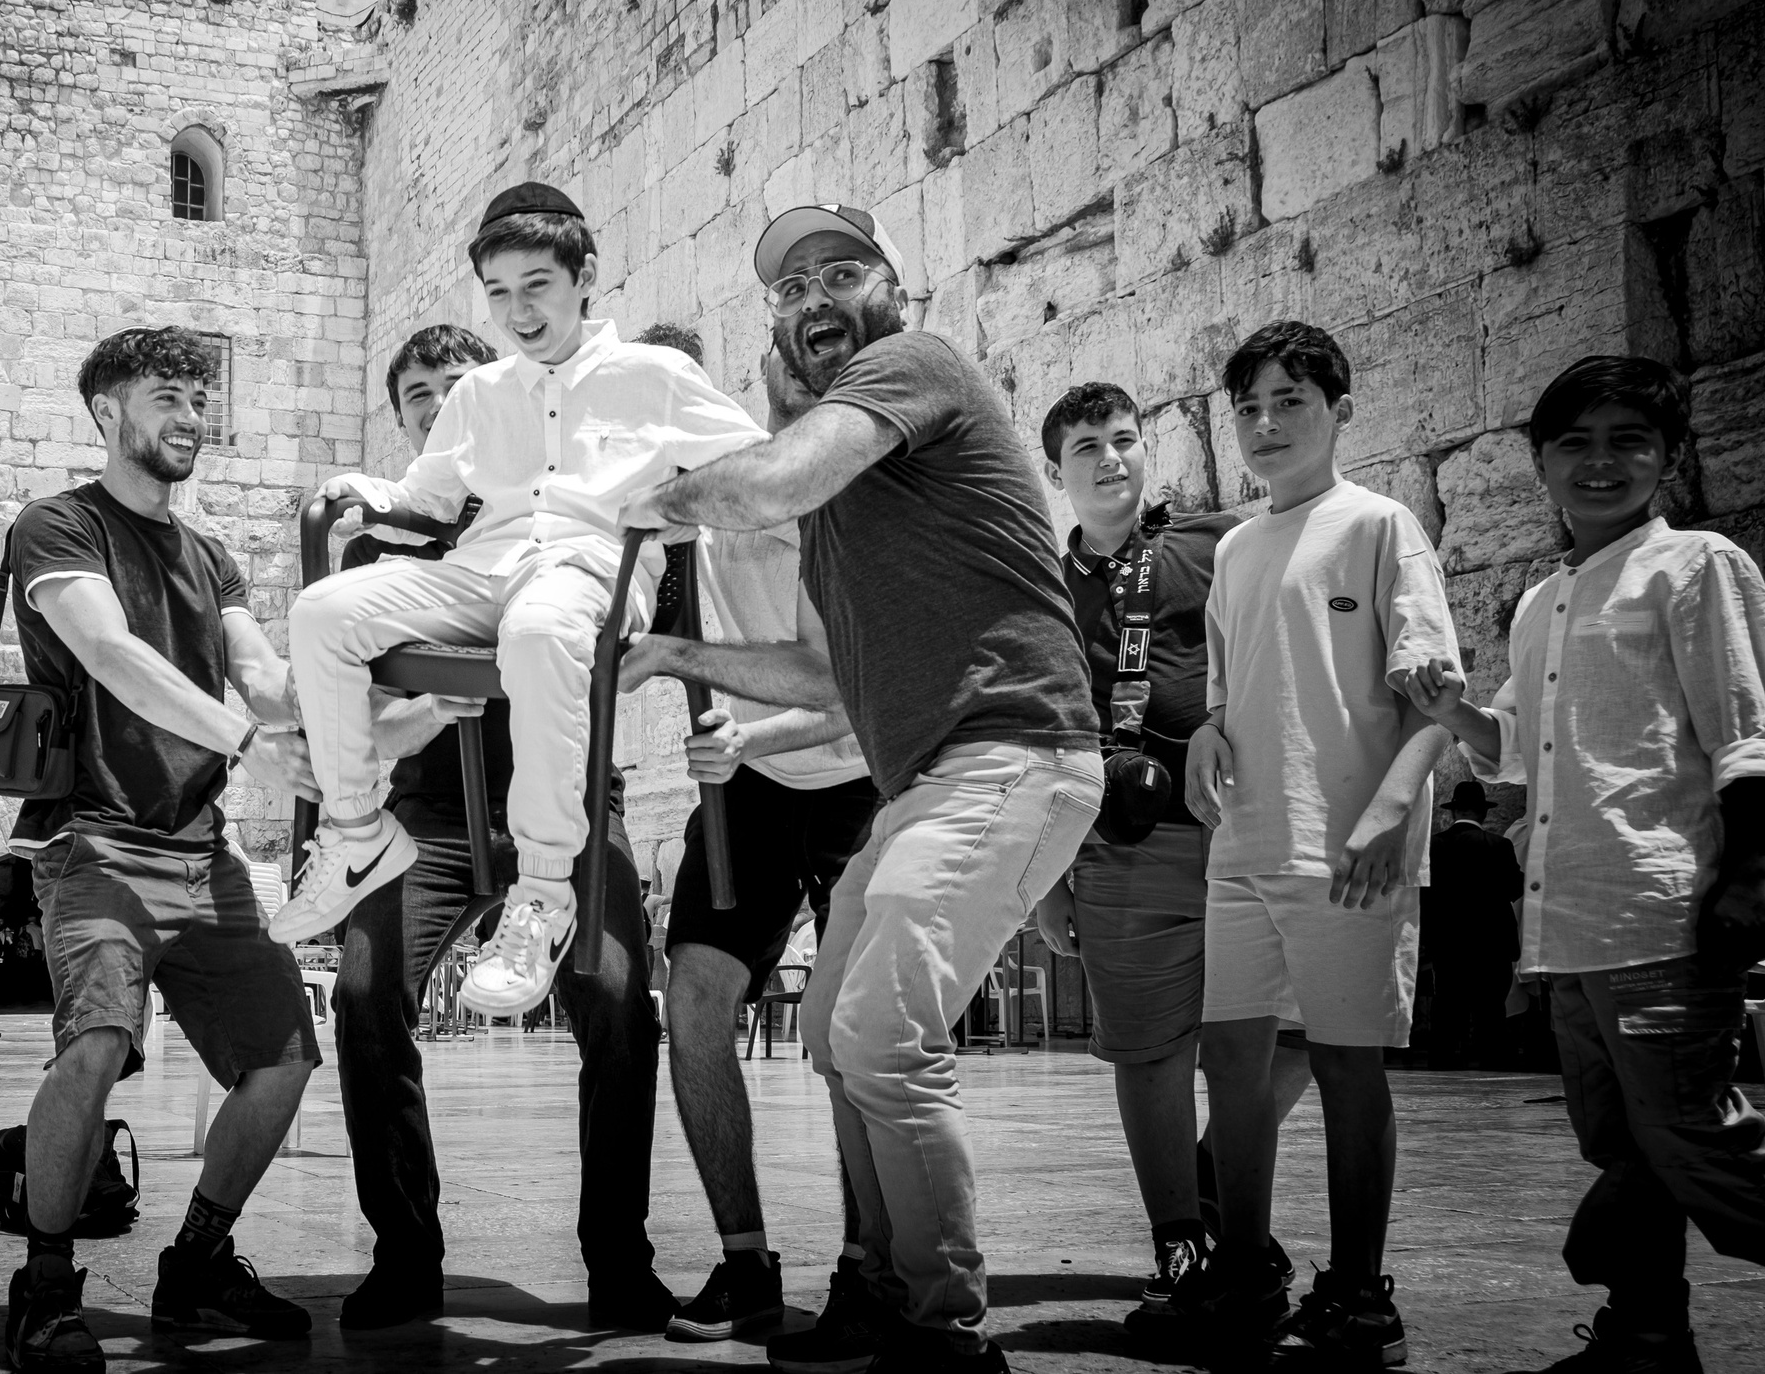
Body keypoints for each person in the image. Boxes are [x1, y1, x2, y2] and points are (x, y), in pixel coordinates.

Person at [620, 203, 1103, 1371]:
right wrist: (676, 657)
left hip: (1010, 750)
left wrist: (635, 498)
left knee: (883, 1041)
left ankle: (944, 1324)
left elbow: (762, 485)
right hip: (923, 782)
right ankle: (881, 1286)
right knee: (841, 1040)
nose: (815, 298)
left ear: (893, 288)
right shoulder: (850, 512)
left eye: (841, 272)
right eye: (790, 291)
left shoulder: (915, 366)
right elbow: (823, 667)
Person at [280, 182, 768, 1016]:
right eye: (499, 293)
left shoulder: (656, 376)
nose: (518, 310)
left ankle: (543, 890)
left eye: (535, 285)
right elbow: (429, 502)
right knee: (321, 613)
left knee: (540, 629)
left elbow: (758, 467)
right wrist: (366, 491)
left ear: (584, 275)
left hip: (591, 569)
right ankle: (358, 831)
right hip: (489, 564)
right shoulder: (479, 394)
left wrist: (677, 504)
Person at [1405, 355, 1765, 1374]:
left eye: (1628, 441)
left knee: (1694, 1140)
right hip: (1567, 922)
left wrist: (1746, 879)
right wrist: (1449, 713)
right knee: (1622, 1150)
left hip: (1662, 907)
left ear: (1668, 456)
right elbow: (1515, 753)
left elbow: (1744, 739)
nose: (1600, 463)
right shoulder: (1536, 604)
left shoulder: (1697, 566)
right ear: (1540, 461)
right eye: (1576, 442)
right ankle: (1644, 1335)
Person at [325, 321, 675, 1334]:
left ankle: (618, 1256)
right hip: (432, 813)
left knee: (615, 1001)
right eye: (415, 393)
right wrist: (429, 707)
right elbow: (350, 714)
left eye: (454, 381)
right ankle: (405, 1253)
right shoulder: (383, 544)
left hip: (564, 812)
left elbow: (643, 625)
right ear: (403, 422)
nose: (437, 400)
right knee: (363, 990)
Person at [1, 327, 325, 1374]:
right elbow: (108, 651)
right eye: (167, 397)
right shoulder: (57, 526)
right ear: (107, 412)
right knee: (95, 1046)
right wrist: (247, 742)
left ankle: (196, 1263)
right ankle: (46, 1285)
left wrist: (347, 720)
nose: (191, 417)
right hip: (92, 839)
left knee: (281, 1059)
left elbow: (263, 678)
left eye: (200, 398)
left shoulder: (210, 551)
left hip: (202, 849)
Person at [1177, 321, 1459, 1361]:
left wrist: (1387, 816)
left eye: (1288, 400)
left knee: (1348, 1070)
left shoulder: (1381, 528)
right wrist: (1206, 728)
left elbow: (1433, 705)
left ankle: (1356, 1292)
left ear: (1339, 411)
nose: (1263, 423)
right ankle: (1244, 1270)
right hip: (1242, 846)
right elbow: (1228, 688)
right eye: (1246, 406)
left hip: (1350, 851)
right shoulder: (1237, 549)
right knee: (1230, 1060)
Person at [1027, 381, 1313, 1334]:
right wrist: (1050, 874)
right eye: (1085, 450)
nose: (1110, 460)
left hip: (1243, 825)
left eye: (1123, 439)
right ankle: (1178, 1239)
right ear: (1057, 473)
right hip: (1123, 840)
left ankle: (1210, 1180)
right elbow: (1043, 728)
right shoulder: (1043, 585)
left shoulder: (1214, 540)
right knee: (1149, 1048)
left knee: (1300, 1032)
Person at [618, 343, 880, 1349]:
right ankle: (744, 1263)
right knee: (692, 1001)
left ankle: (868, 1267)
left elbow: (830, 679)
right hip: (753, 794)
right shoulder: (699, 501)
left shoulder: (843, 502)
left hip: (860, 777)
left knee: (854, 1027)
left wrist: (737, 724)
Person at [1422, 781, 1520, 1068]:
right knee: (1490, 1011)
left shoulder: (1434, 847)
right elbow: (1514, 888)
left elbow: (1424, 895)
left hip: (1447, 944)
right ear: (1483, 814)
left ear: (1453, 813)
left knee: (1448, 1007)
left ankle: (1441, 1067)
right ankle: (1493, 1069)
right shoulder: (1499, 845)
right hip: (1492, 945)